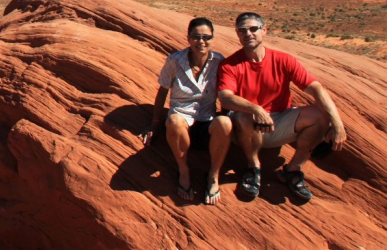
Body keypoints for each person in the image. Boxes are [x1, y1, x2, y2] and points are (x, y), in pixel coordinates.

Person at [217, 12, 347, 202]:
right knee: (242, 115)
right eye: (243, 30)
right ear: (237, 33)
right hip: (248, 127)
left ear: (264, 30)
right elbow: (226, 98)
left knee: (321, 114)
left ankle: (293, 169)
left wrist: (337, 124)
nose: (248, 34)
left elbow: (316, 89)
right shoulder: (230, 65)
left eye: (254, 29)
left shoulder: (284, 60)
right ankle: (254, 168)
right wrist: (257, 109)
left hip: (280, 121)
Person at [141, 17, 233, 205]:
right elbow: (163, 91)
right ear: (189, 38)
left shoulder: (219, 61)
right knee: (174, 121)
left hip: (206, 119)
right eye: (196, 37)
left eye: (206, 37)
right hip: (181, 120)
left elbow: (225, 93)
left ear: (213, 38)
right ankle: (183, 171)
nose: (201, 41)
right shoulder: (175, 61)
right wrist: (154, 123)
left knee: (225, 122)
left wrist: (224, 126)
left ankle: (213, 175)